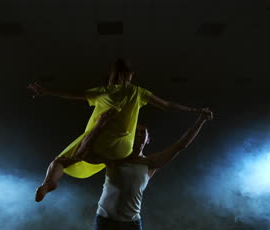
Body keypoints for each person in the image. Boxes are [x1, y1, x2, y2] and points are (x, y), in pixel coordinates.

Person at [28, 59, 204, 202]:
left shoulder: (103, 92)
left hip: (95, 144)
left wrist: (48, 91)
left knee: (60, 161)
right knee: (124, 163)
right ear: (130, 75)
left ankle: (49, 183)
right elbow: (167, 106)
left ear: (114, 75)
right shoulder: (138, 92)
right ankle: (51, 183)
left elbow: (75, 94)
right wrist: (192, 110)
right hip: (122, 149)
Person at [94, 110, 213, 230]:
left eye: (142, 132)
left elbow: (180, 145)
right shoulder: (114, 158)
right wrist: (100, 124)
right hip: (105, 223)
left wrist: (201, 120)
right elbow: (88, 150)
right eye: (135, 131)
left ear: (148, 139)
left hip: (132, 225)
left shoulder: (150, 163)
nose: (138, 135)